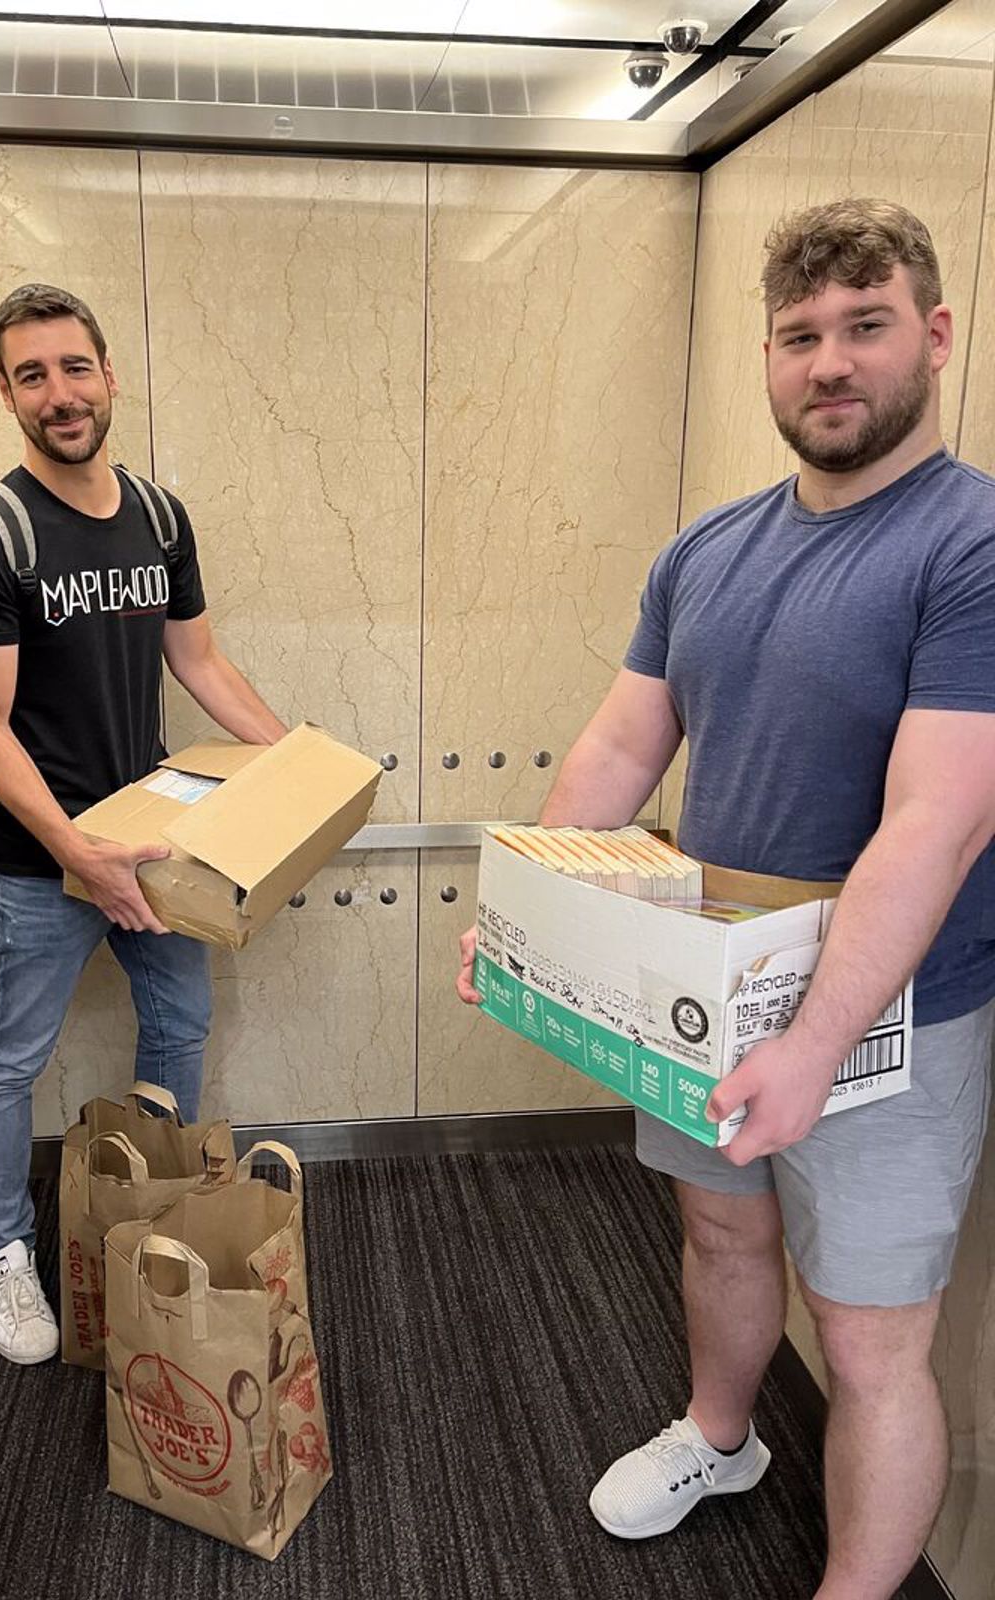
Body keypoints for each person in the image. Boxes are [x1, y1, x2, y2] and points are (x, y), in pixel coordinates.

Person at [456, 198, 995, 1600]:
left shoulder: (973, 545)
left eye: (867, 326)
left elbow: (937, 822)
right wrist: (525, 924)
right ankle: (720, 1433)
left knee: (870, 1339)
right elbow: (620, 748)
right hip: (705, 985)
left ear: (936, 336)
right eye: (801, 335)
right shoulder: (705, 550)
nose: (831, 362)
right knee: (717, 1229)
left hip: (889, 1021)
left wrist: (815, 1041)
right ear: (767, 357)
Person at [0, 283, 286, 1365]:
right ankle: (3, 1250)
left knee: (179, 1023)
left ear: (109, 375)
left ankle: (153, 1209)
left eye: (74, 367)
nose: (60, 393)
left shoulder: (159, 518)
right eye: (32, 375)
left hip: (152, 846)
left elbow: (200, 661)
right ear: (6, 393)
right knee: (11, 1059)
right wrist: (73, 849)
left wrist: (294, 769)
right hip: (38, 862)